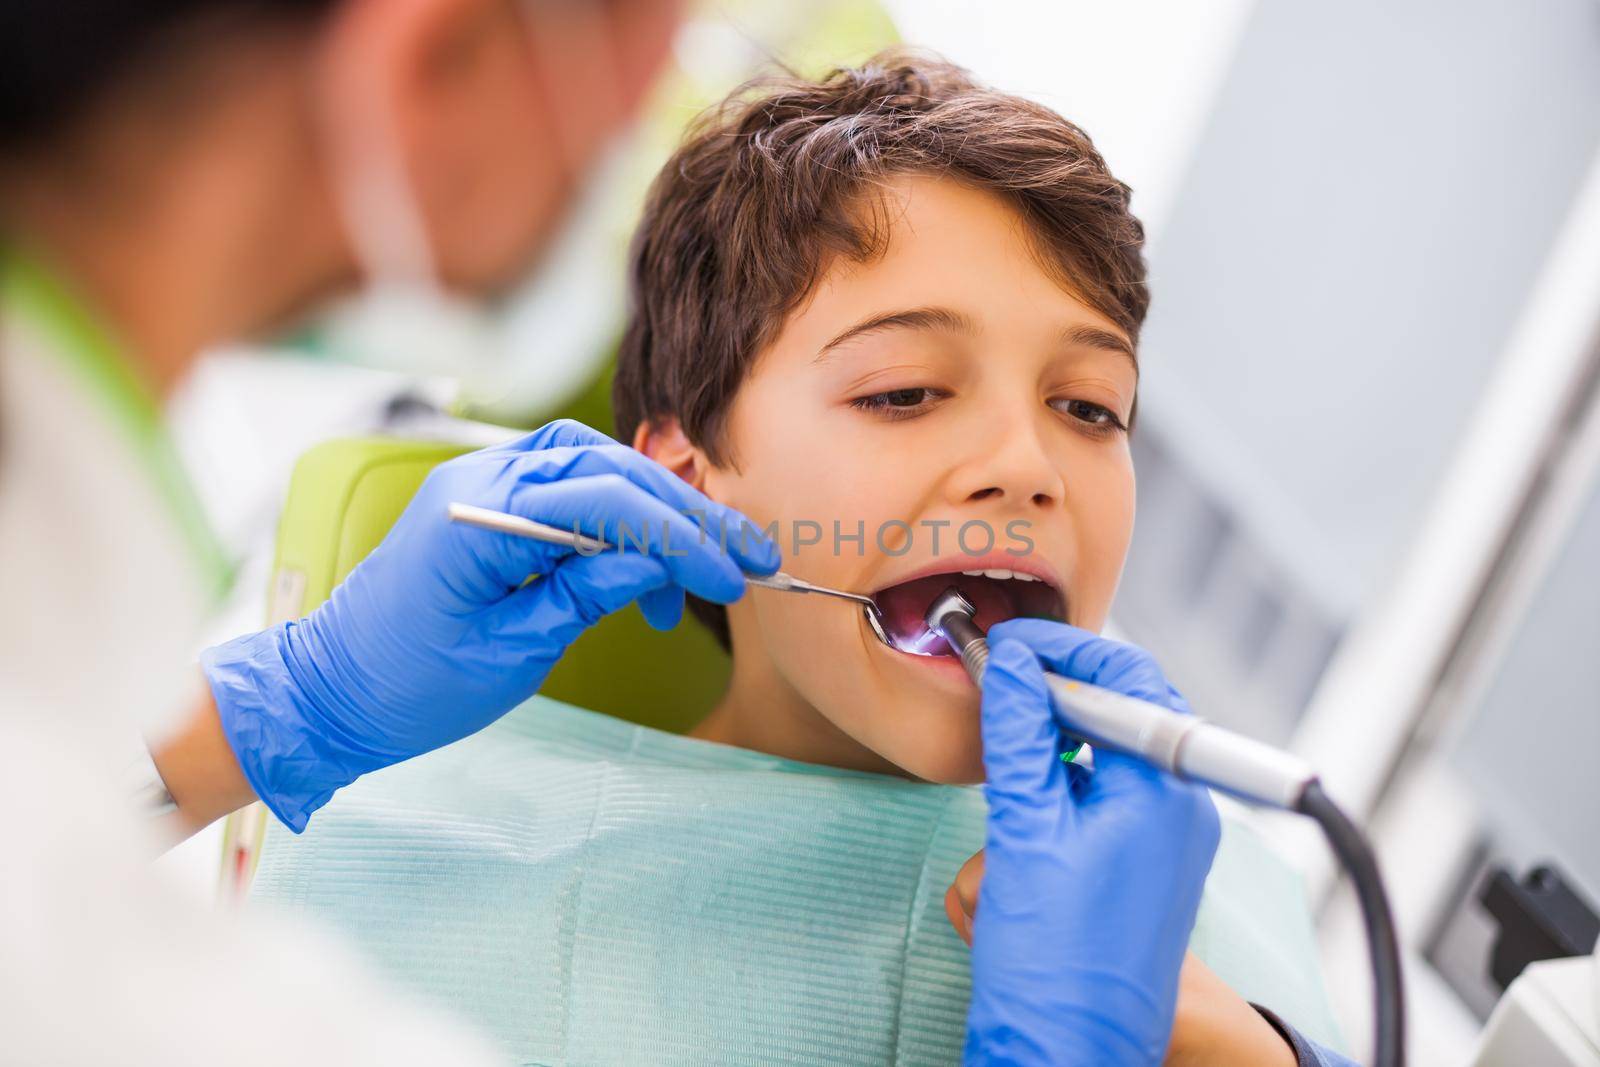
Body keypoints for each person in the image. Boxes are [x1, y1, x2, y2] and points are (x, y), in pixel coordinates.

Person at [0, 3, 1355, 1065]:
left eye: (1092, 406)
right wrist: (274, 716)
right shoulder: (402, 841)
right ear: (691, 479)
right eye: (902, 390)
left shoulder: (1199, 893)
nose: (1028, 465)